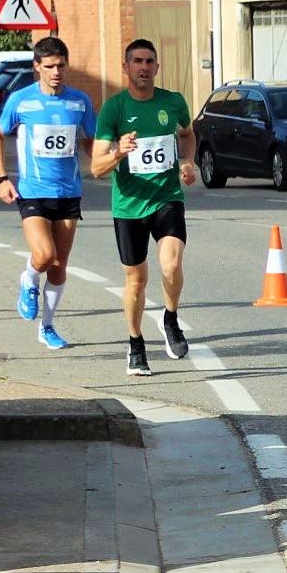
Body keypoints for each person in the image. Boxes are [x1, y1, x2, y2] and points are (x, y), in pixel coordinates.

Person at [90, 39, 197, 376]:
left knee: (171, 264)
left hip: (167, 197)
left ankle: (170, 318)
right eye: (137, 61)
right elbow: (95, 167)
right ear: (126, 67)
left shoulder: (173, 102)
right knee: (136, 280)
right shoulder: (114, 109)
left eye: (150, 61)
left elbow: (188, 133)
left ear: (157, 67)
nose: (144, 67)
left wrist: (189, 162)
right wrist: (119, 152)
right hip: (128, 206)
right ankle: (136, 344)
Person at [0, 36, 98, 350]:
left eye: (61, 65)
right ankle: (27, 278)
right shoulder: (21, 100)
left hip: (69, 192)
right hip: (33, 192)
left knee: (59, 267)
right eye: (49, 66)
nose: (56, 72)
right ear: (37, 67)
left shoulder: (80, 101)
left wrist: (109, 159)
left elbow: (91, 141)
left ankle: (47, 326)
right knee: (44, 256)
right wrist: (1, 179)